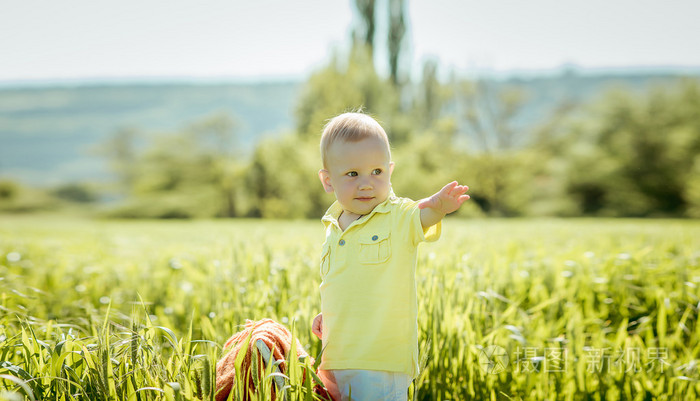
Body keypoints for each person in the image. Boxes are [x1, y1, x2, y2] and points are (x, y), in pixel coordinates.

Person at [311, 112, 470, 400]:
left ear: (390, 171)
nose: (366, 183)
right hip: (337, 355)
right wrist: (331, 313)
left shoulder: (396, 216)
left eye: (377, 172)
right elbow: (348, 284)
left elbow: (422, 216)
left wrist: (439, 206)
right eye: (352, 174)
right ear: (328, 181)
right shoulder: (333, 227)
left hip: (380, 360)